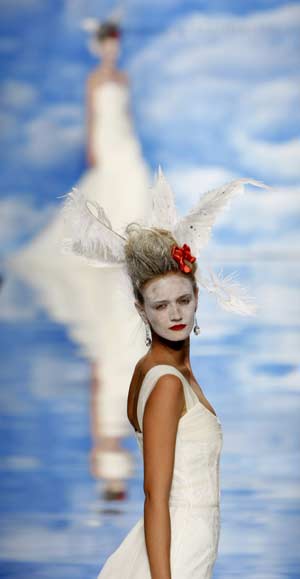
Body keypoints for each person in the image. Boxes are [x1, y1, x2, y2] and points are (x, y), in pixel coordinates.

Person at [62, 168, 268, 577]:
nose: (175, 314)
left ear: (197, 297)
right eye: (160, 305)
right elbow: (156, 498)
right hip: (174, 552)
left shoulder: (153, 369)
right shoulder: (168, 384)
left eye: (183, 299)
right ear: (141, 309)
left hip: (178, 543)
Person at [9, 20, 151, 495]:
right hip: (107, 145)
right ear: (99, 45)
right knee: (109, 191)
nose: (112, 49)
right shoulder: (95, 82)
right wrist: (95, 147)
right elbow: (94, 118)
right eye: (107, 43)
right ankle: (109, 254)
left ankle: (130, 255)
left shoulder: (123, 81)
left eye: (116, 43)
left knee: (131, 187)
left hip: (124, 142)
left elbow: (124, 117)